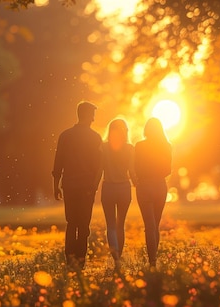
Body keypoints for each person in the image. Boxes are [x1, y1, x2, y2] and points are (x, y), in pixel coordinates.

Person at [52, 101, 103, 270]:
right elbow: (99, 167)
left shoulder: (65, 136)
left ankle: (70, 259)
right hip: (87, 187)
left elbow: (58, 162)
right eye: (93, 115)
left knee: (71, 222)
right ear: (88, 115)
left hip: (70, 185)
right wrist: (94, 187)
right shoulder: (95, 137)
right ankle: (80, 261)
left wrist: (55, 185)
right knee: (83, 225)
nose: (94, 119)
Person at [134, 117, 172, 267]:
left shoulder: (139, 146)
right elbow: (168, 170)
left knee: (149, 225)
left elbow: (136, 166)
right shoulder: (166, 146)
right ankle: (153, 261)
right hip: (159, 186)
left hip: (144, 186)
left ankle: (152, 261)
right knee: (155, 225)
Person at [100, 118, 137, 267]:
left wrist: (94, 186)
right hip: (124, 189)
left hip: (108, 188)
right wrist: (136, 183)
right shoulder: (129, 149)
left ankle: (115, 259)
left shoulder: (103, 147)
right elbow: (132, 170)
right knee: (120, 224)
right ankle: (118, 259)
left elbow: (99, 170)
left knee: (110, 225)